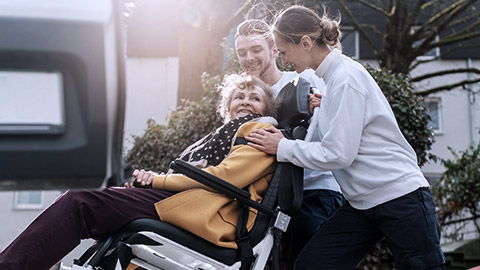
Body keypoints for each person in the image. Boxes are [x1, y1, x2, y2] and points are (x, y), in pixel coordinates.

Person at [0, 73, 279, 270]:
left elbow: (225, 178)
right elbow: (189, 173)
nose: (245, 102)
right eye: (238, 97)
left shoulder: (260, 130)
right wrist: (151, 181)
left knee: (81, 201)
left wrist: (157, 181)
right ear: (227, 106)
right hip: (187, 201)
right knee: (82, 197)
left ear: (266, 107)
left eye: (254, 98)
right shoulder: (218, 135)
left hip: (209, 213)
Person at [245, 5, 445, 270]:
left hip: (400, 197)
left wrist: (282, 147)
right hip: (362, 204)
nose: (283, 60)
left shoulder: (345, 79)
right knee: (311, 265)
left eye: (283, 51)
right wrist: (325, 106)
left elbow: (339, 154)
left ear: (305, 43)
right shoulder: (330, 81)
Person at [235, 18, 343, 269]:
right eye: (242, 52)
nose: (248, 57)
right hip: (267, 200)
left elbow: (332, 138)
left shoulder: (304, 80)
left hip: (312, 191)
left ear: (275, 50)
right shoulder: (246, 96)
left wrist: (322, 109)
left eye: (256, 49)